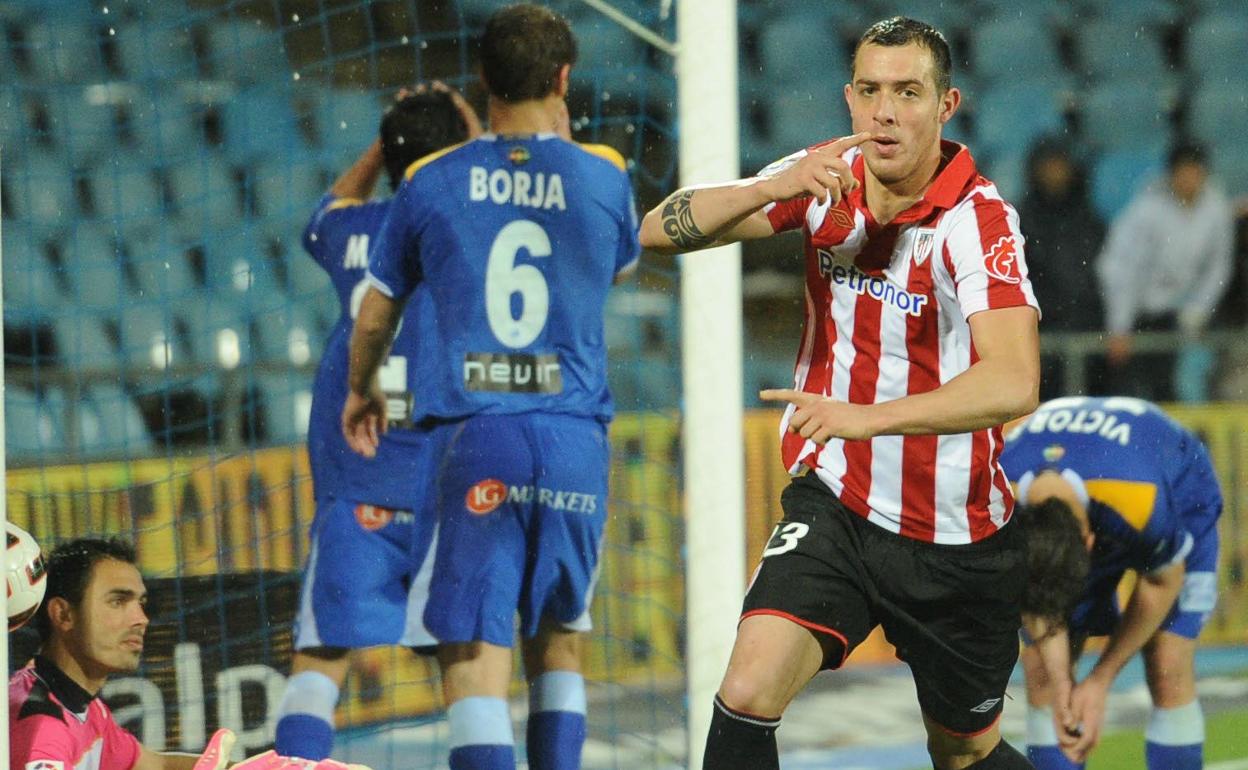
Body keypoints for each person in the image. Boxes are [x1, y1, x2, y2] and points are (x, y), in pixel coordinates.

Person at [639, 16, 1039, 770]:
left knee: (962, 751)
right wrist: (771, 186)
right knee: (747, 691)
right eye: (871, 90)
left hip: (957, 538)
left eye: (908, 92)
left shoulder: (977, 220)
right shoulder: (824, 177)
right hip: (839, 507)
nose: (886, 111)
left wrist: (869, 419)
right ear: (849, 98)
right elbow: (658, 230)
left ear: (946, 105)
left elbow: (1014, 380)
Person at [343, 5, 639, 769]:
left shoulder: (429, 180)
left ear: (482, 76)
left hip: (477, 435)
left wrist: (363, 387)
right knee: (559, 638)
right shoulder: (603, 175)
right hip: (575, 439)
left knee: (474, 652)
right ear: (565, 77)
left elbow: (376, 311)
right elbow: (613, 263)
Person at [272, 84, 479, 759]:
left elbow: (324, 211)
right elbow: (475, 180)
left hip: (358, 472)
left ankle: (296, 765)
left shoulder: (356, 232)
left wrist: (383, 142)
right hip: (442, 480)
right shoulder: (471, 228)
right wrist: (466, 124)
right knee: (465, 664)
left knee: (322, 654)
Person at [1002, 396, 1222, 770]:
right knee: (1042, 672)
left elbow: (1161, 582)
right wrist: (1063, 687)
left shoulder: (1140, 501)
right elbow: (1036, 594)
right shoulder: (995, 495)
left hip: (1181, 491)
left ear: (1091, 544)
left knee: (1167, 662)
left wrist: (1100, 680)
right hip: (1091, 472)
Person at [9, 537, 359, 770]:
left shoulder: (80, 705)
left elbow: (152, 764)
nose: (140, 619)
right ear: (63, 614)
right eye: (118, 601)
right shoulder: (43, 726)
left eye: (141, 603)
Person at [1096, 140, 1235, 402]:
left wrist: (1200, 307)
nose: (1190, 179)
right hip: (1144, 314)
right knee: (1141, 392)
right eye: (1184, 171)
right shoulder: (1147, 210)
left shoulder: (1216, 207)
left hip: (1188, 313)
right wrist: (1120, 325)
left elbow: (1219, 264)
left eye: (1196, 171)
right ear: (1172, 174)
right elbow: (1122, 268)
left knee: (1188, 384)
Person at [1017, 136, 1106, 399]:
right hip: (1041, 337)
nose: (1055, 173)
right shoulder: (1017, 220)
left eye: (1060, 165)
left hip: (1088, 335)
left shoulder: (1089, 219)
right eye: (1049, 166)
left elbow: (1103, 274)